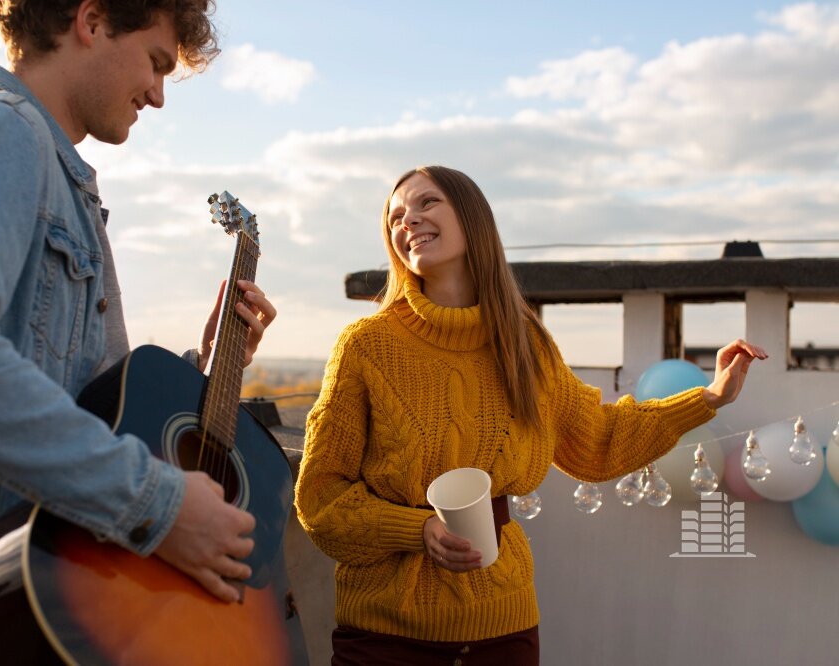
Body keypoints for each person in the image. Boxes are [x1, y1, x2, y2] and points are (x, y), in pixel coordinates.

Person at [0, 1, 277, 663]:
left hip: (9, 616)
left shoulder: (63, 181)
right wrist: (156, 502)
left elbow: (93, 407)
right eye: (156, 63)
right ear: (92, 21)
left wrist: (209, 365)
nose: (159, 96)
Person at [295, 165, 767, 665]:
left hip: (504, 629)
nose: (407, 220)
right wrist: (419, 530)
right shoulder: (366, 347)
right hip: (385, 636)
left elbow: (597, 442)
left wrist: (708, 396)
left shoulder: (525, 343)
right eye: (394, 217)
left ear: (472, 217)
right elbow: (320, 499)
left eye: (426, 203)